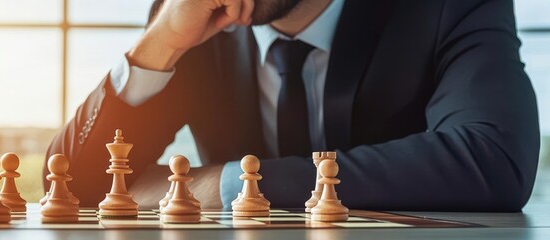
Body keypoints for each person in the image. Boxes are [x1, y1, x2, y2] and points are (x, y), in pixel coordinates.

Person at [46, 0, 539, 211]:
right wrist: (159, 44)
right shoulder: (193, 22)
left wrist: (227, 183)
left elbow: (492, 160)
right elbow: (68, 183)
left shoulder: (449, 5)